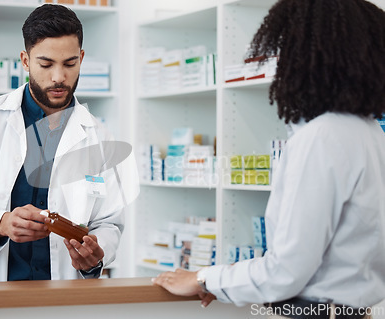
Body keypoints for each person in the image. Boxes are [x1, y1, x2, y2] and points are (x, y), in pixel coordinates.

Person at [153, 0, 385, 318]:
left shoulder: (321, 137)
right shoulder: (370, 132)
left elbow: (286, 271)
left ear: (309, 56)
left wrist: (203, 277)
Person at [0, 4, 138, 283]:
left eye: (69, 63)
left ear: (81, 58)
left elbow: (109, 221)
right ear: (25, 61)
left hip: (62, 292)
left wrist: (95, 254)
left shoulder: (99, 137)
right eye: (46, 64)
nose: (58, 77)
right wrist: (0, 223)